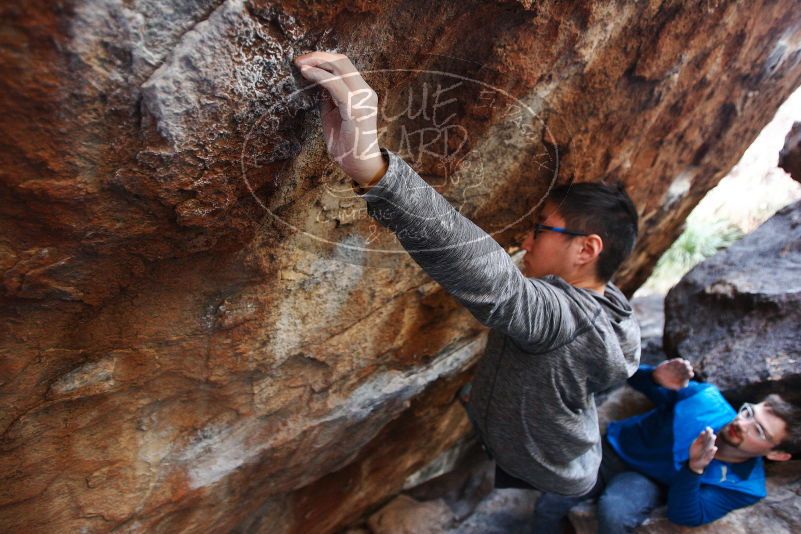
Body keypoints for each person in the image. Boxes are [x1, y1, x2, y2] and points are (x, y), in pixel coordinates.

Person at [293, 51, 641, 496]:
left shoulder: (565, 321)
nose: (528, 242)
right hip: (561, 454)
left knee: (549, 516)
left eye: (542, 230)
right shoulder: (611, 305)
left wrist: (376, 172)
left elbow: (499, 285)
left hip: (552, 475)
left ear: (587, 249)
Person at [533, 358, 800, 533]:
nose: (742, 423)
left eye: (759, 431)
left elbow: (686, 515)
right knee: (550, 502)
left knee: (614, 512)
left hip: (645, 480)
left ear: (777, 454)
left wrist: (694, 470)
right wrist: (654, 377)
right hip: (615, 449)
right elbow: (635, 379)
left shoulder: (746, 486)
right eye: (749, 413)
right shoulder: (705, 400)